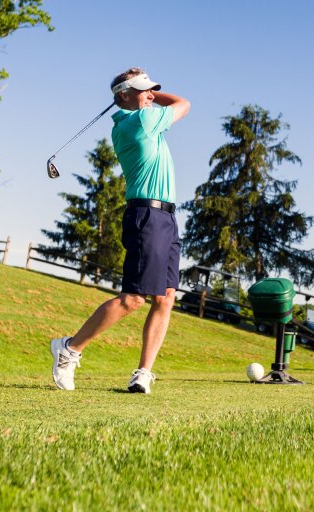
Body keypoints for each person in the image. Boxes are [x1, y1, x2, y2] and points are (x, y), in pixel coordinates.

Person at [50, 68, 190, 394]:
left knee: (165, 298)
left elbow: (171, 104)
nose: (150, 94)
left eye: (151, 89)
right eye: (144, 90)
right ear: (123, 96)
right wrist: (154, 96)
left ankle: (143, 373)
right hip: (147, 216)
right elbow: (184, 103)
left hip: (166, 217)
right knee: (133, 299)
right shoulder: (140, 121)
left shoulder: (139, 119)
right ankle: (69, 348)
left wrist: (145, 91)